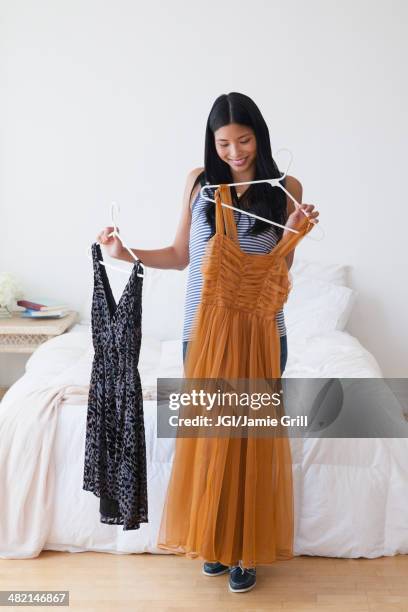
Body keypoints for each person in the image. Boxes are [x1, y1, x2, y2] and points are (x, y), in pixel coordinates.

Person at [97, 92, 319, 593]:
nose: (235, 152)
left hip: (263, 334)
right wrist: (121, 251)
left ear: (259, 136)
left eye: (244, 140)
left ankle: (247, 550)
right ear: (211, 142)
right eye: (224, 142)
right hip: (199, 335)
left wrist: (293, 235)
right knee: (210, 442)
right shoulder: (199, 185)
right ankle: (217, 540)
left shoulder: (286, 187)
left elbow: (278, 273)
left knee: (250, 443)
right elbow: (180, 255)